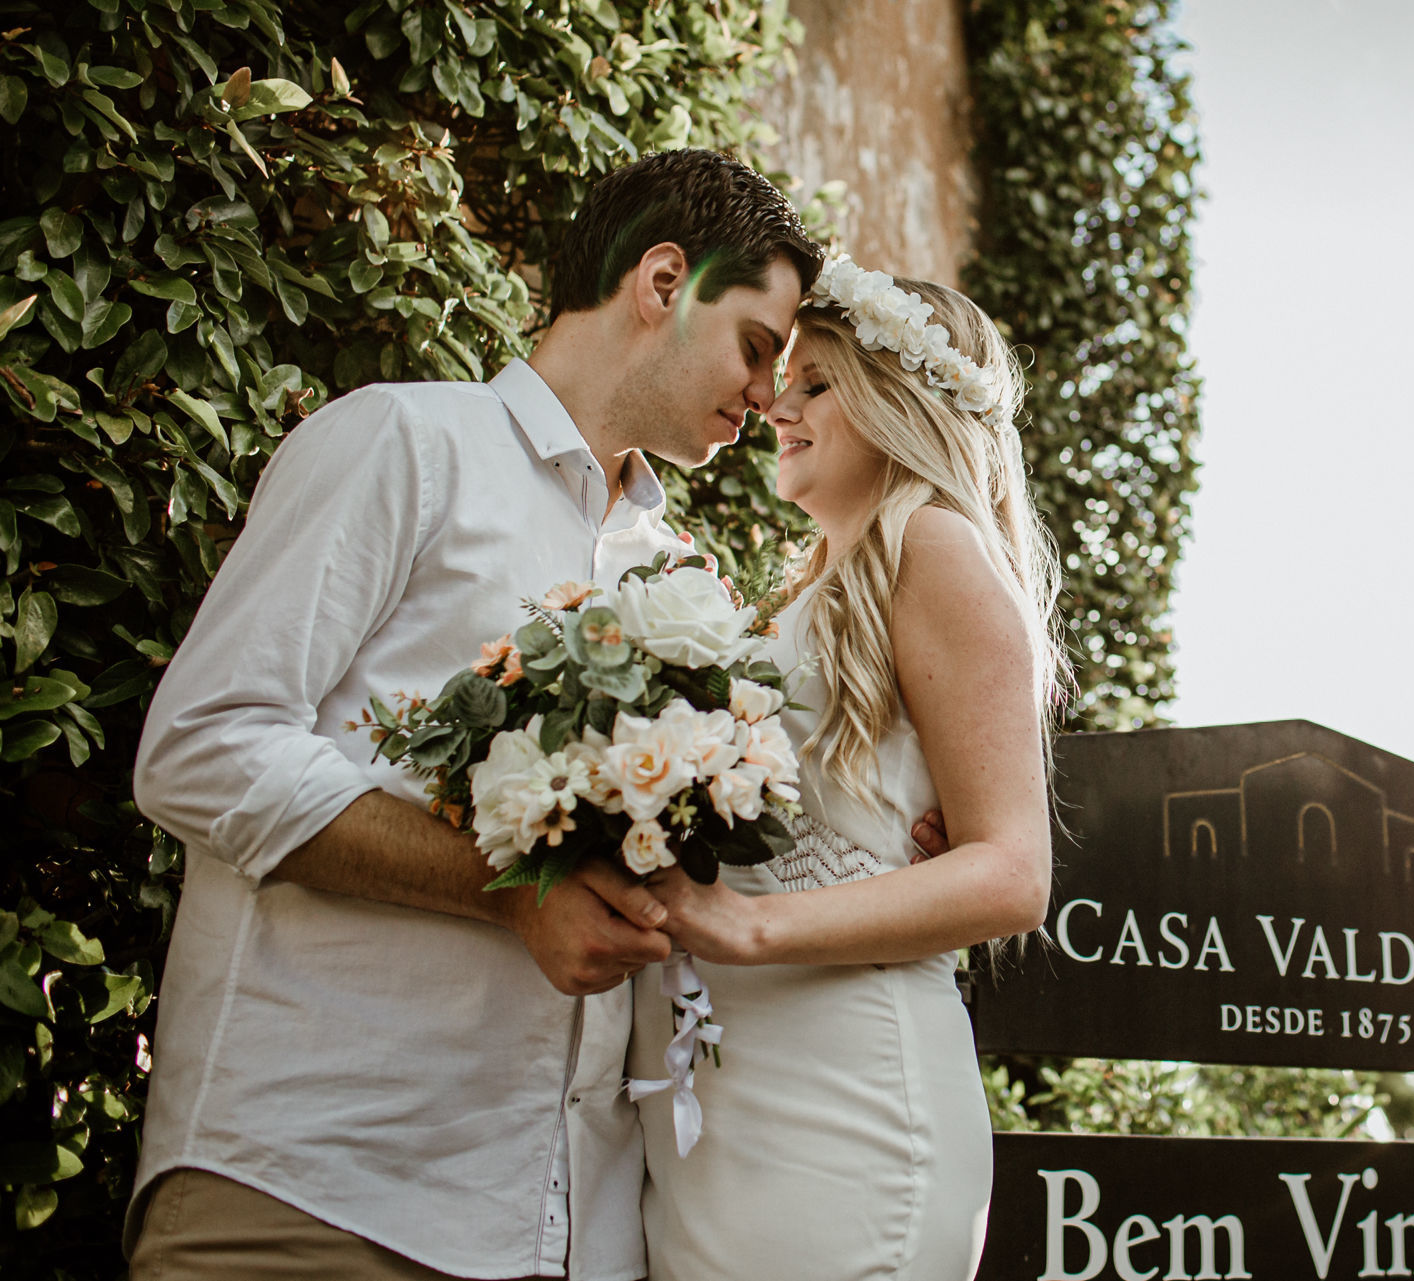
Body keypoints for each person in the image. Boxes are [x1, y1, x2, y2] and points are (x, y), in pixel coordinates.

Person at [127, 150, 824, 1281]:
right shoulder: (403, 445)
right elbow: (201, 751)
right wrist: (513, 890)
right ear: (661, 281)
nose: (764, 397)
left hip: (571, 1234)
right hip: (313, 1192)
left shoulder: (686, 578)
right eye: (755, 345)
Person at [630, 260, 1063, 1281]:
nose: (778, 404)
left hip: (845, 1100)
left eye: (818, 383)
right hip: (723, 1101)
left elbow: (1012, 873)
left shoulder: (935, 546)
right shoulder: (807, 593)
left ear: (899, 401)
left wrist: (744, 926)